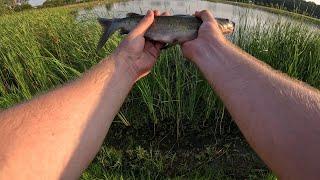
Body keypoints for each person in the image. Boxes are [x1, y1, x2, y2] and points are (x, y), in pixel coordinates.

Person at [0, 9, 319, 179]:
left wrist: (125, 64)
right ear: (217, 25)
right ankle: (114, 26)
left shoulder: (201, 31)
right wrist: (127, 59)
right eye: (225, 25)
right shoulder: (196, 27)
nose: (227, 27)